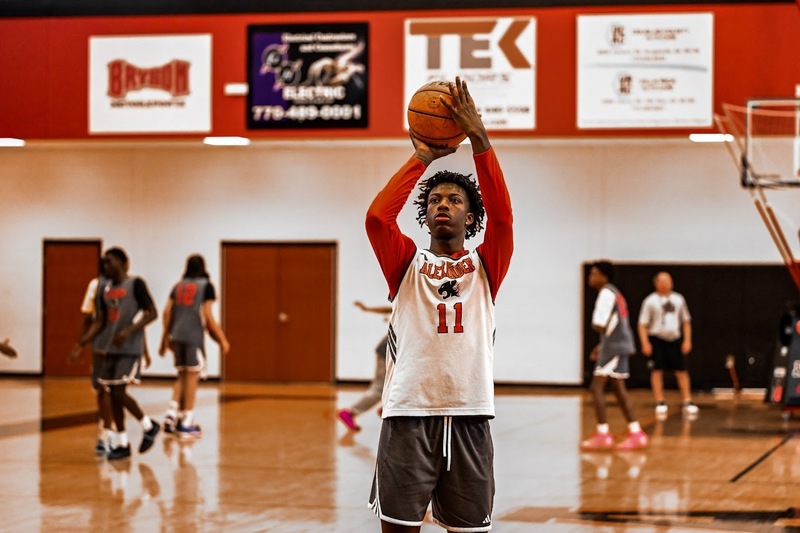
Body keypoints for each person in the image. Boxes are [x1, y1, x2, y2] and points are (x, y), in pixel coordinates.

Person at [365, 77, 513, 533]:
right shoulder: (405, 260)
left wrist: (480, 140)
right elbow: (376, 218)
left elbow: (504, 218)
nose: (442, 203)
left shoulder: (487, 263)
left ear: (471, 217)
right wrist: (423, 158)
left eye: (454, 199)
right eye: (434, 200)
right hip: (408, 412)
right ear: (424, 214)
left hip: (471, 413)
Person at [71, 247, 160, 461]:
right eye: (104, 263)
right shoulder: (104, 287)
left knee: (119, 392)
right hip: (109, 348)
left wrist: (129, 331)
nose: (105, 266)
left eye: (110, 262)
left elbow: (152, 313)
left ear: (124, 263)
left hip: (129, 350)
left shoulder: (136, 284)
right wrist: (81, 343)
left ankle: (148, 425)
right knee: (112, 393)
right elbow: (99, 320)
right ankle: (122, 443)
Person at [158, 254, 230, 438]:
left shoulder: (178, 286)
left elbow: (167, 312)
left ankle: (172, 414)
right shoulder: (207, 286)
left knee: (182, 375)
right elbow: (207, 316)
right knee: (192, 377)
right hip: (192, 336)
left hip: (176, 335)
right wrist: (222, 339)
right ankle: (186, 422)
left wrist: (165, 338)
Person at [581, 260, 648, 451]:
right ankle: (636, 433)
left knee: (596, 388)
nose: (591, 277)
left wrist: (604, 344)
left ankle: (603, 434)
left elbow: (599, 323)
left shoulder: (606, 294)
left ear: (604, 276)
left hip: (614, 346)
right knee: (619, 388)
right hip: (618, 344)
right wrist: (601, 345)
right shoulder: (615, 293)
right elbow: (614, 323)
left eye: (594, 274)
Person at [638, 271, 698, 418]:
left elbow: (686, 322)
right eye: (663, 281)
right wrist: (645, 342)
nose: (666, 284)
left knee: (682, 371)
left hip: (675, 339)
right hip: (657, 339)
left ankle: (687, 400)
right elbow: (642, 324)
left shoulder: (678, 299)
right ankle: (660, 401)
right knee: (657, 371)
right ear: (657, 283)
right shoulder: (650, 301)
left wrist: (687, 340)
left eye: (668, 281)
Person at [70, 269, 116, 456]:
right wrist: (79, 344)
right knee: (102, 389)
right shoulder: (95, 285)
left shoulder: (128, 286)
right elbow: (87, 317)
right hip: (100, 345)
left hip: (122, 346)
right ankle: (105, 432)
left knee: (115, 390)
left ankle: (112, 432)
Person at [337, 300, 391, 431]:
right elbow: (389, 308)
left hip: (399, 352)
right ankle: (349, 412)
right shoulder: (417, 304)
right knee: (379, 388)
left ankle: (388, 409)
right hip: (388, 350)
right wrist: (367, 309)